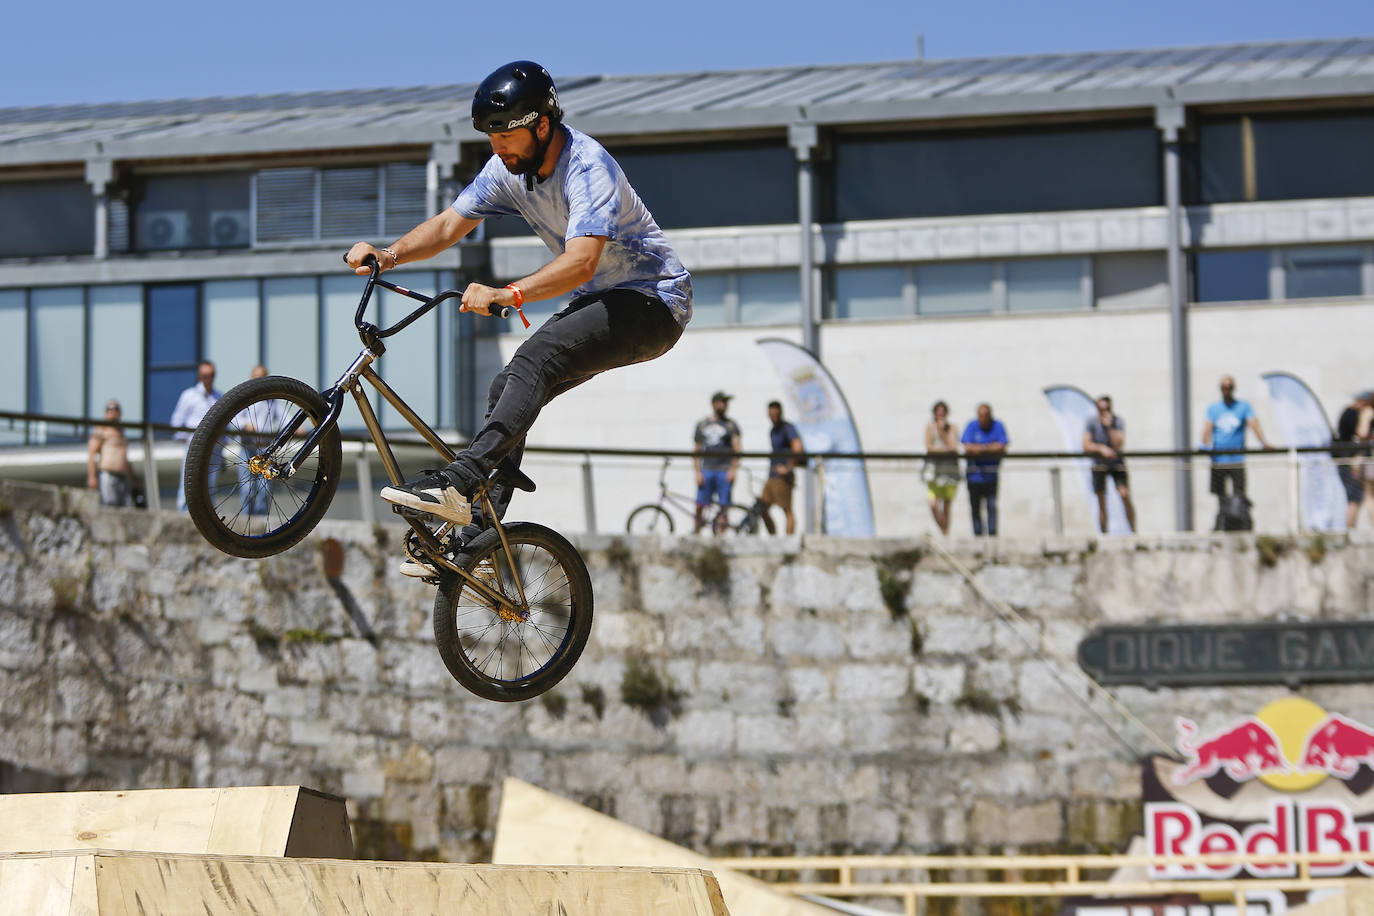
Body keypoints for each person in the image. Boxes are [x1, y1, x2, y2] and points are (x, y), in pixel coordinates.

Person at [344, 61, 690, 575]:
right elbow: (447, 226)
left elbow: (581, 262)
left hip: (652, 301)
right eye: (490, 137)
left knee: (536, 358)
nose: (498, 147)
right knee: (507, 386)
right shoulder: (507, 169)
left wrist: (509, 293)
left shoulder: (587, 166)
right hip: (606, 301)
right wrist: (387, 255)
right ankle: (478, 545)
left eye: (506, 135)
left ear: (542, 125)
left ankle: (456, 483)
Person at [1201, 374, 1271, 509]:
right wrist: (1203, 445)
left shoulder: (1243, 406)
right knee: (1220, 495)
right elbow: (1207, 429)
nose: (1226, 390)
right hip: (1219, 460)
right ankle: (1222, 523)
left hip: (1236, 459)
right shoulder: (1213, 408)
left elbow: (1254, 425)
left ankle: (1240, 520)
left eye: (1229, 387)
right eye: (1224, 387)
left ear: (1233, 388)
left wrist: (1264, 443)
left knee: (1239, 494)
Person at [171, 360, 221, 512]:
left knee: (210, 484)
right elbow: (177, 421)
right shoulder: (189, 395)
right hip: (195, 445)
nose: (208, 379)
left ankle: (208, 516)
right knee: (189, 481)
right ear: (200, 376)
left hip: (214, 448)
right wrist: (188, 440)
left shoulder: (219, 396)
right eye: (205, 376)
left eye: (211, 375)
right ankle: (184, 514)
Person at [1082, 395, 1137, 534]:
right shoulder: (1091, 422)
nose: (1104, 412)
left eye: (1107, 408)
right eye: (1101, 409)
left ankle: (1133, 531)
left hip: (1116, 464)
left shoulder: (1117, 421)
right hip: (1099, 464)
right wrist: (1101, 449)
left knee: (1124, 495)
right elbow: (1085, 445)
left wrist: (1109, 427)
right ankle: (1104, 533)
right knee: (1101, 499)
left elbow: (1119, 443)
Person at [235, 365, 282, 517]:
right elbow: (234, 417)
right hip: (247, 448)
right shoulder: (244, 396)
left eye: (262, 377)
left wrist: (299, 429)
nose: (259, 381)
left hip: (266, 449)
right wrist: (245, 425)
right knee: (246, 488)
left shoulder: (272, 400)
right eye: (256, 377)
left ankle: (261, 521)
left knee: (265, 489)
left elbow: (284, 416)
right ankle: (246, 519)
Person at [692, 391, 742, 533]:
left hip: (724, 470)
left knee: (724, 506)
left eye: (726, 402)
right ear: (714, 403)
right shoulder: (702, 424)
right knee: (700, 503)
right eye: (722, 402)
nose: (725, 405)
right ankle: (696, 532)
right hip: (706, 468)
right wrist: (697, 472)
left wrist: (733, 470)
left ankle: (721, 535)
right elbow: (696, 450)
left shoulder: (731, 425)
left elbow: (737, 449)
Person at [961, 403, 1008, 536]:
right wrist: (988, 448)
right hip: (974, 477)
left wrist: (981, 449)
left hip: (991, 475)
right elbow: (967, 447)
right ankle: (978, 537)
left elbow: (1002, 446)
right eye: (981, 416)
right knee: (975, 509)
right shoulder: (971, 426)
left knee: (991, 507)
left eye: (986, 415)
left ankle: (992, 536)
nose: (983, 418)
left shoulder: (998, 425)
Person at [759, 400, 803, 535]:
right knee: (762, 508)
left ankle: (788, 540)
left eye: (775, 413)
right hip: (772, 476)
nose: (773, 416)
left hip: (783, 477)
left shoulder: (788, 428)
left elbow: (798, 448)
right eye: (771, 413)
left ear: (780, 412)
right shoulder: (773, 430)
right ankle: (774, 537)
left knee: (787, 509)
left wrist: (788, 468)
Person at [1333, 390, 1372, 529]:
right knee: (1357, 497)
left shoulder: (1351, 412)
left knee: (1362, 496)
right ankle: (1351, 528)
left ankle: (1352, 528)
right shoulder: (1354, 414)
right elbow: (1361, 434)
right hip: (1350, 461)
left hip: (1353, 460)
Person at [922, 400, 960, 536]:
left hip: (949, 471)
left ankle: (945, 533)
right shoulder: (929, 427)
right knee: (933, 503)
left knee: (947, 505)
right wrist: (945, 449)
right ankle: (943, 528)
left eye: (942, 413)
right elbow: (929, 447)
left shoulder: (952, 427)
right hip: (934, 471)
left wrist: (943, 432)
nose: (940, 415)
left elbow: (953, 446)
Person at [87, 399, 134, 507]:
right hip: (108, 475)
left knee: (126, 508)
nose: (112, 411)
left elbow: (126, 458)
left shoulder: (122, 432)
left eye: (116, 408)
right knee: (109, 507)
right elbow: (91, 454)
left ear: (120, 413)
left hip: (123, 477)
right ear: (105, 413)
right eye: (109, 409)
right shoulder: (102, 429)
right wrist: (92, 477)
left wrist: (133, 478)